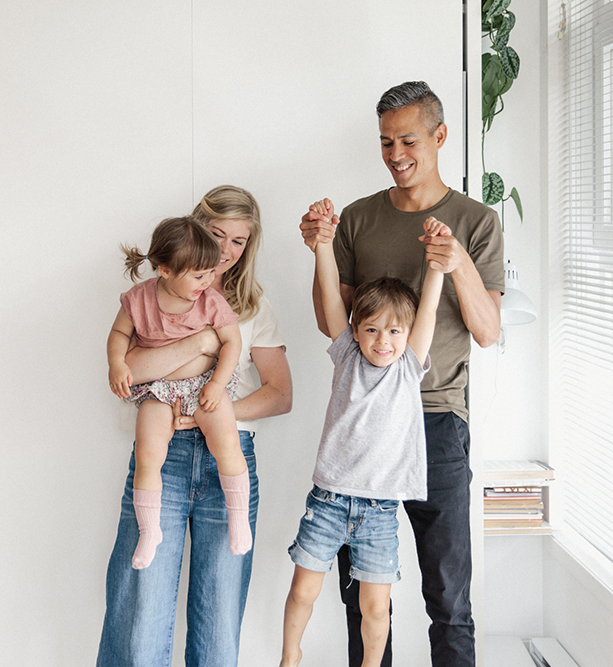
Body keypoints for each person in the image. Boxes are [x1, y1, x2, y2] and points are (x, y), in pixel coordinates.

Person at [299, 81, 504, 667]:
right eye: (386, 142)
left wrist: (457, 262)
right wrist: (319, 247)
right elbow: (330, 323)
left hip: (435, 422)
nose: (396, 154)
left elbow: (488, 331)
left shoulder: (477, 220)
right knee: (363, 600)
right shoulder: (359, 219)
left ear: (440, 136)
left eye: (408, 140)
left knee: (449, 597)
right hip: (364, 429)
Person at [98, 185, 293, 667]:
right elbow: (129, 370)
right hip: (163, 457)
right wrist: (200, 344)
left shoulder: (254, 308)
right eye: (217, 234)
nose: (226, 250)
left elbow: (280, 394)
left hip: (227, 456)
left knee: (218, 624)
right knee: (140, 616)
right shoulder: (150, 298)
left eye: (239, 241)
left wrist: (214, 410)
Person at [279, 207, 450, 667]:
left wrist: (436, 266)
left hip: (379, 511)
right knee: (303, 590)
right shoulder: (347, 356)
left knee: (376, 608)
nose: (382, 341)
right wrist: (323, 246)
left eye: (393, 331)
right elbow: (332, 296)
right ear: (355, 331)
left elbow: (429, 309)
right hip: (329, 501)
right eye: (371, 329)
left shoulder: (409, 367)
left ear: (407, 335)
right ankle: (290, 656)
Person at [107, 216, 251, 569]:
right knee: (148, 454)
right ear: (165, 270)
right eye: (199, 276)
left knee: (227, 443)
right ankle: (150, 530)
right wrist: (117, 364)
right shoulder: (139, 299)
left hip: (205, 386)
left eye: (210, 273)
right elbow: (119, 334)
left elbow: (232, 342)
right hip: (157, 391)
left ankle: (238, 517)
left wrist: (217, 384)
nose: (207, 281)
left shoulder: (210, 301)